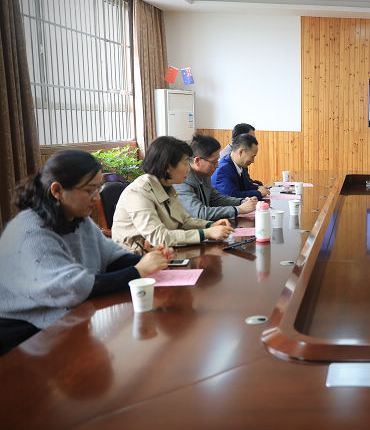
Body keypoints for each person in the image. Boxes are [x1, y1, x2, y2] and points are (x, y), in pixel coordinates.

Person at [0, 150, 170, 354]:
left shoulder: (78, 219)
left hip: (64, 319)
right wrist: (138, 271)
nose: (96, 197)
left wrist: (151, 260)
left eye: (98, 188)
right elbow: (71, 289)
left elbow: (111, 256)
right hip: (25, 336)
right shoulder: (30, 232)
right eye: (90, 190)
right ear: (57, 190)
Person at [112, 136, 234, 252]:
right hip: (135, 258)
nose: (188, 169)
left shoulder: (167, 186)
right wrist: (205, 233)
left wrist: (210, 225)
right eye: (185, 163)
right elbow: (159, 237)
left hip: (163, 252)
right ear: (168, 166)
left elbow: (184, 220)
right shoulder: (138, 193)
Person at [175, 133, 259, 221]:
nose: (217, 166)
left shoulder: (204, 175)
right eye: (214, 162)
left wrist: (242, 202)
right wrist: (238, 209)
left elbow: (217, 199)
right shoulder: (182, 180)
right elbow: (200, 213)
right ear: (197, 161)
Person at [211, 133, 270, 199]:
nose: (253, 161)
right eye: (252, 157)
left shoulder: (241, 165)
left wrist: (259, 187)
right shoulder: (223, 170)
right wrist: (258, 193)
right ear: (240, 152)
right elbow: (232, 196)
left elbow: (247, 186)